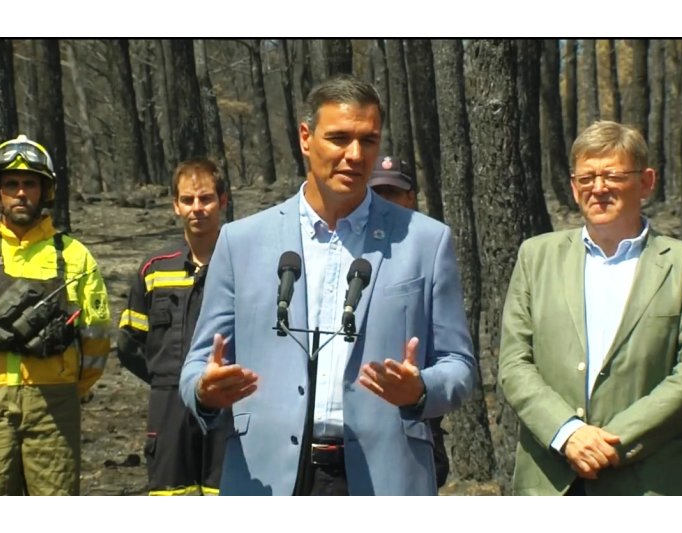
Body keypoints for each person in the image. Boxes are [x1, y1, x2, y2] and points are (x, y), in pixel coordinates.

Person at [179, 74, 476, 496]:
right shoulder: (241, 242)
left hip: (384, 479)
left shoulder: (424, 241)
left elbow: (459, 364)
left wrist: (421, 390)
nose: (355, 155)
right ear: (306, 138)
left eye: (368, 140)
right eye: (339, 138)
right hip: (268, 478)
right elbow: (196, 367)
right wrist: (205, 392)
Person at [498, 120, 682, 496]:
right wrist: (566, 433)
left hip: (651, 484)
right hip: (552, 482)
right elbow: (514, 363)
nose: (598, 188)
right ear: (574, 187)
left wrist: (609, 443)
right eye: (587, 178)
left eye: (613, 176)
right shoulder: (536, 258)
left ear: (646, 182)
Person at [0, 134, 111, 495]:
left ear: (44, 191)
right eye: (12, 184)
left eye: (30, 184)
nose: (21, 193)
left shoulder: (76, 257)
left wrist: (72, 387)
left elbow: (97, 336)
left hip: (56, 403)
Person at [118, 158, 230, 495]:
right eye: (187, 200)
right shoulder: (154, 270)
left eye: (206, 198)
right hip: (168, 411)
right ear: (175, 206)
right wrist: (168, 381)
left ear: (223, 202)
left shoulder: (243, 262)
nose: (197, 208)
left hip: (230, 409)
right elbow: (129, 344)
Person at [368, 155, 449, 489]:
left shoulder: (431, 249)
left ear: (411, 198)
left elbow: (450, 352)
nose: (385, 202)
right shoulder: (351, 249)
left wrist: (421, 389)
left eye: (394, 193)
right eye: (378, 193)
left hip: (413, 418)